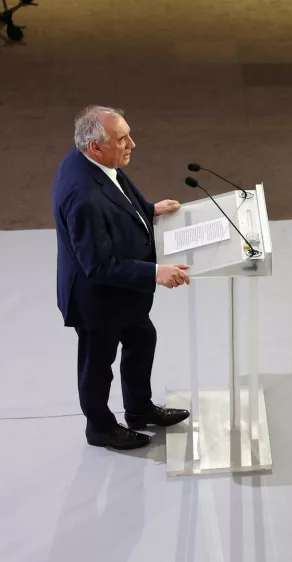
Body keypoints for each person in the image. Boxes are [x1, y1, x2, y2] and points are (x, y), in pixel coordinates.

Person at [53, 106, 191, 450]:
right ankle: (99, 428)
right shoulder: (82, 196)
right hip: (97, 299)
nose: (132, 143)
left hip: (122, 293)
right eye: (122, 139)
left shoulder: (95, 161)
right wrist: (155, 272)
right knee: (97, 366)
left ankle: (139, 410)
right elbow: (97, 265)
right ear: (96, 147)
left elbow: (118, 197)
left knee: (142, 340)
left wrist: (148, 209)